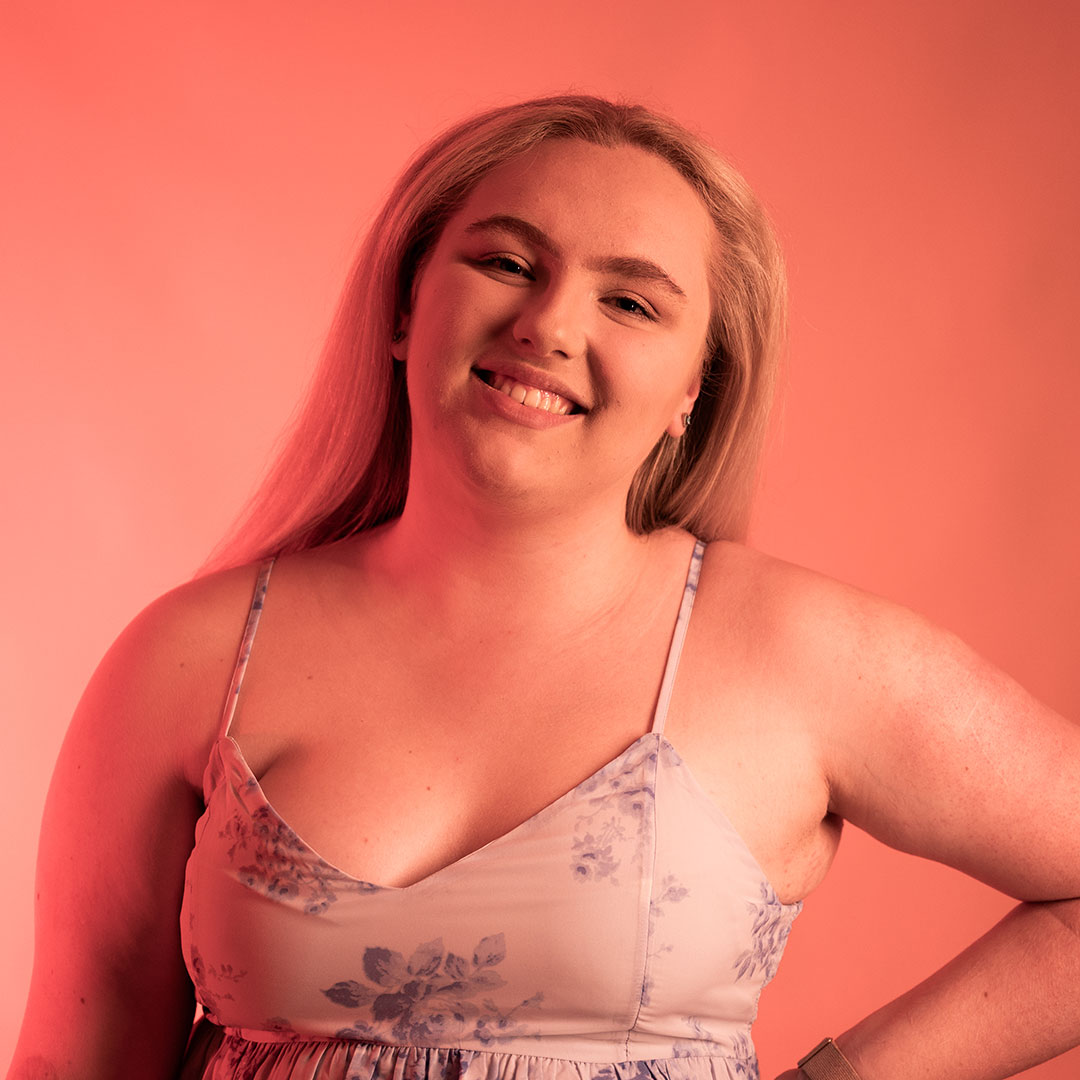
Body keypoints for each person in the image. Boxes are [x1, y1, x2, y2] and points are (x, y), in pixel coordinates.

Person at [8, 95, 1079, 1080]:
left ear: (691, 395)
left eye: (631, 301)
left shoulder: (800, 656)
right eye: (510, 264)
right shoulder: (191, 659)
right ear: (405, 305)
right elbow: (76, 1064)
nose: (551, 326)